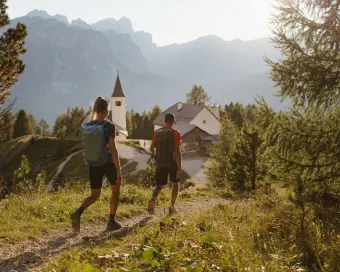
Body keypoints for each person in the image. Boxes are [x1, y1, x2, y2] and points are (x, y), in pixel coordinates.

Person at [71, 96, 122, 232]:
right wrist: (118, 170)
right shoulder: (109, 126)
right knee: (115, 190)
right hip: (108, 163)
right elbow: (113, 148)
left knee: (94, 195)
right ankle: (111, 221)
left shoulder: (88, 126)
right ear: (106, 110)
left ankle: (78, 213)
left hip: (93, 164)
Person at [148, 113, 182, 215]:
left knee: (158, 186)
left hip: (160, 163)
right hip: (172, 164)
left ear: (164, 121)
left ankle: (153, 200)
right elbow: (177, 151)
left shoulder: (157, 132)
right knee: (175, 185)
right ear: (173, 122)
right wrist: (179, 168)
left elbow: (151, 148)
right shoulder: (176, 133)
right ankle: (171, 207)